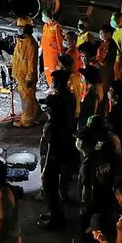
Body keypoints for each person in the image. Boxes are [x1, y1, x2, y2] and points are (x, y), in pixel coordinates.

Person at [39, 69, 76, 230]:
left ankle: (56, 217)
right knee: (59, 182)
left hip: (57, 152)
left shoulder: (53, 125)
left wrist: (45, 167)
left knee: (49, 184)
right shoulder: (70, 96)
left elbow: (51, 149)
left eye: (54, 81)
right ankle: (56, 212)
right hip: (67, 143)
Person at [76, 116, 122, 228]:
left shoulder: (89, 162)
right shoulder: (111, 141)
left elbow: (85, 188)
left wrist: (84, 205)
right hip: (106, 189)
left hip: (98, 194)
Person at [11, 16, 40, 127]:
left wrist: (29, 78)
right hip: (20, 76)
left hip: (27, 78)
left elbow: (32, 63)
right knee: (30, 98)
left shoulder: (31, 44)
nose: (18, 30)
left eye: (21, 28)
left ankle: (26, 121)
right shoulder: (20, 41)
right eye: (18, 27)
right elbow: (16, 58)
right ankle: (38, 115)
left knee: (26, 100)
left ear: (27, 29)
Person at [40, 9, 65, 87]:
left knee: (53, 71)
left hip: (53, 55)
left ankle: (55, 86)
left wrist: (61, 53)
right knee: (47, 70)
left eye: (43, 16)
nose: (42, 18)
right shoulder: (45, 26)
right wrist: (41, 47)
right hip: (46, 54)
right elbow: (43, 38)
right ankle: (50, 86)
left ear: (47, 17)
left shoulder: (56, 27)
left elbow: (60, 41)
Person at [96, 24, 117, 92]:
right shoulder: (104, 43)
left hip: (106, 72)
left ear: (109, 33)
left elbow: (108, 61)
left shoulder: (111, 45)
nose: (100, 34)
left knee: (104, 89)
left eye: (102, 32)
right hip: (101, 69)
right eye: (100, 33)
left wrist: (98, 62)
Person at [110, 12, 122, 81]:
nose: (111, 21)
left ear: (118, 21)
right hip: (114, 59)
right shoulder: (115, 32)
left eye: (112, 20)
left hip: (119, 60)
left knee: (117, 79)